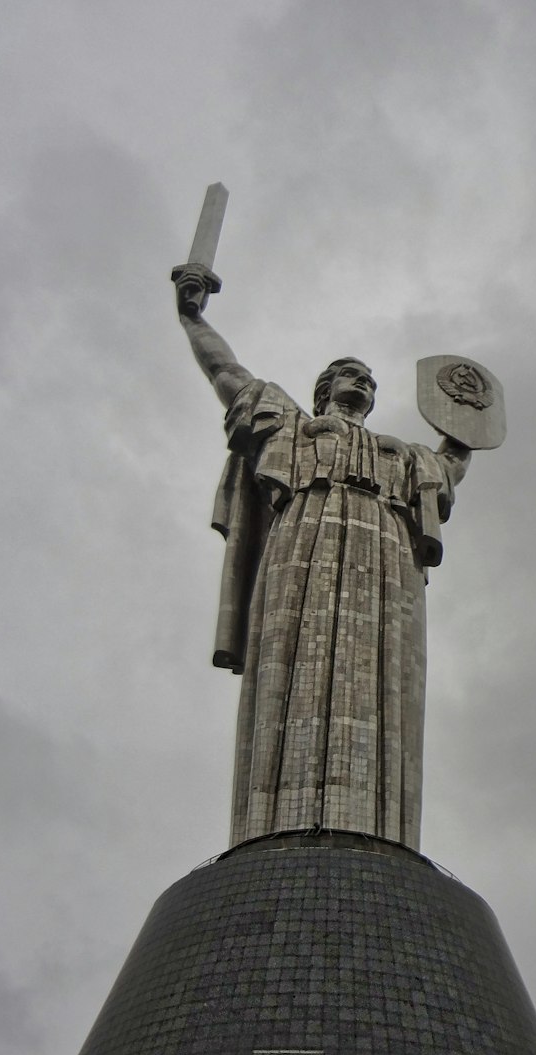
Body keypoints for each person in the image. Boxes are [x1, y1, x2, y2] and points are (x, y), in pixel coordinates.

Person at [176, 264, 470, 851]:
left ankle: (379, 828)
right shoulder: (292, 426)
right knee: (294, 654)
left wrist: (465, 423)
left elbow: (451, 465)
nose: (361, 380)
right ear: (325, 388)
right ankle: (276, 821)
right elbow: (228, 374)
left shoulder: (402, 454)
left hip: (386, 551)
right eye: (348, 373)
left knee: (385, 668)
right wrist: (193, 316)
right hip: (304, 536)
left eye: (368, 377)